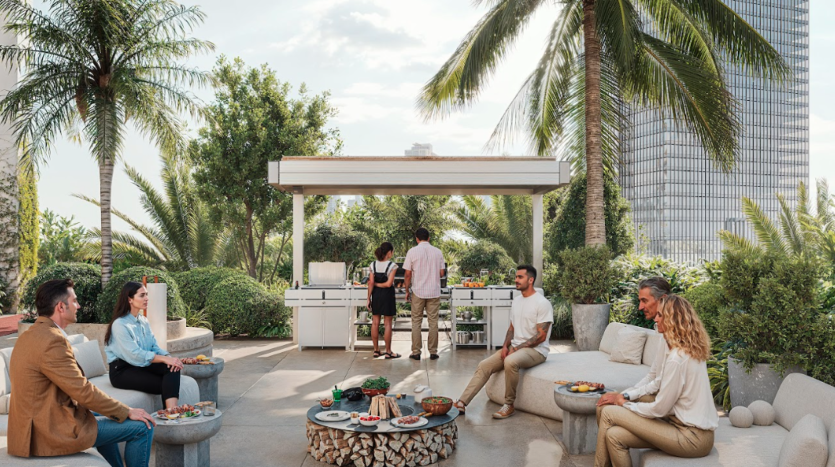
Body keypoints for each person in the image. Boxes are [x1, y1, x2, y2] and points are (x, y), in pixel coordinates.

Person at [8, 279, 156, 467]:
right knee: (143, 427)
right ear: (61, 307)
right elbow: (82, 392)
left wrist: (117, 411)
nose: (78, 306)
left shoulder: (31, 335)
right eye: (75, 301)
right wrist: (126, 411)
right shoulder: (52, 341)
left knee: (107, 415)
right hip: (47, 432)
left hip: (36, 423)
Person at [594, 295, 717, 467]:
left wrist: (624, 404)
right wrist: (626, 395)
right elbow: (658, 382)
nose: (656, 319)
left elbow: (660, 408)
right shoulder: (684, 347)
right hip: (679, 424)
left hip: (692, 438)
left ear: (673, 320)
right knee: (614, 435)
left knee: (608, 412)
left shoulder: (677, 358)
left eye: (660, 315)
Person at [453, 265, 552, 419]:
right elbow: (512, 328)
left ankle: (509, 405)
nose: (516, 280)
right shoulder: (517, 300)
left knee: (511, 362)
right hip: (516, 347)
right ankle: (461, 403)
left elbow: (541, 336)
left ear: (530, 280)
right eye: (516, 277)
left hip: (537, 351)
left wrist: (516, 348)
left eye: (520, 277)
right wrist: (505, 346)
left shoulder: (542, 303)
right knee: (484, 365)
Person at [596, 277, 670, 412]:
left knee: (609, 411)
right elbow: (652, 375)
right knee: (607, 402)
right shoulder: (662, 331)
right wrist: (625, 395)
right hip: (659, 398)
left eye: (644, 301)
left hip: (669, 408)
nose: (640, 307)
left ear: (662, 299)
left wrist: (625, 397)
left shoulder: (676, 338)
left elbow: (658, 383)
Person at [105, 282, 183, 409]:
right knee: (166, 384)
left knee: (172, 368)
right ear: (130, 299)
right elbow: (135, 354)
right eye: (142, 295)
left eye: (147, 295)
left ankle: (171, 412)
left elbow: (153, 346)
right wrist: (163, 359)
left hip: (140, 365)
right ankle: (172, 413)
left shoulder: (143, 321)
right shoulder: (120, 324)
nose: (146, 298)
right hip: (122, 370)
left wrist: (169, 357)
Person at [403, 227, 445, 361]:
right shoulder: (438, 252)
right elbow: (442, 273)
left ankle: (416, 352)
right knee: (433, 322)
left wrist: (406, 290)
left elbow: (408, 274)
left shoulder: (412, 252)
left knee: (416, 322)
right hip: (433, 291)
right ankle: (433, 352)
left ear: (416, 238)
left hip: (418, 291)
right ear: (429, 238)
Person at [367, 242, 401, 359]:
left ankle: (376, 350)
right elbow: (388, 284)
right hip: (387, 296)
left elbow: (371, 283)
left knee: (375, 322)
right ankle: (388, 351)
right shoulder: (393, 266)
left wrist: (368, 298)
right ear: (389, 252)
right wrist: (379, 284)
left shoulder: (373, 265)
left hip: (376, 295)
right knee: (387, 324)